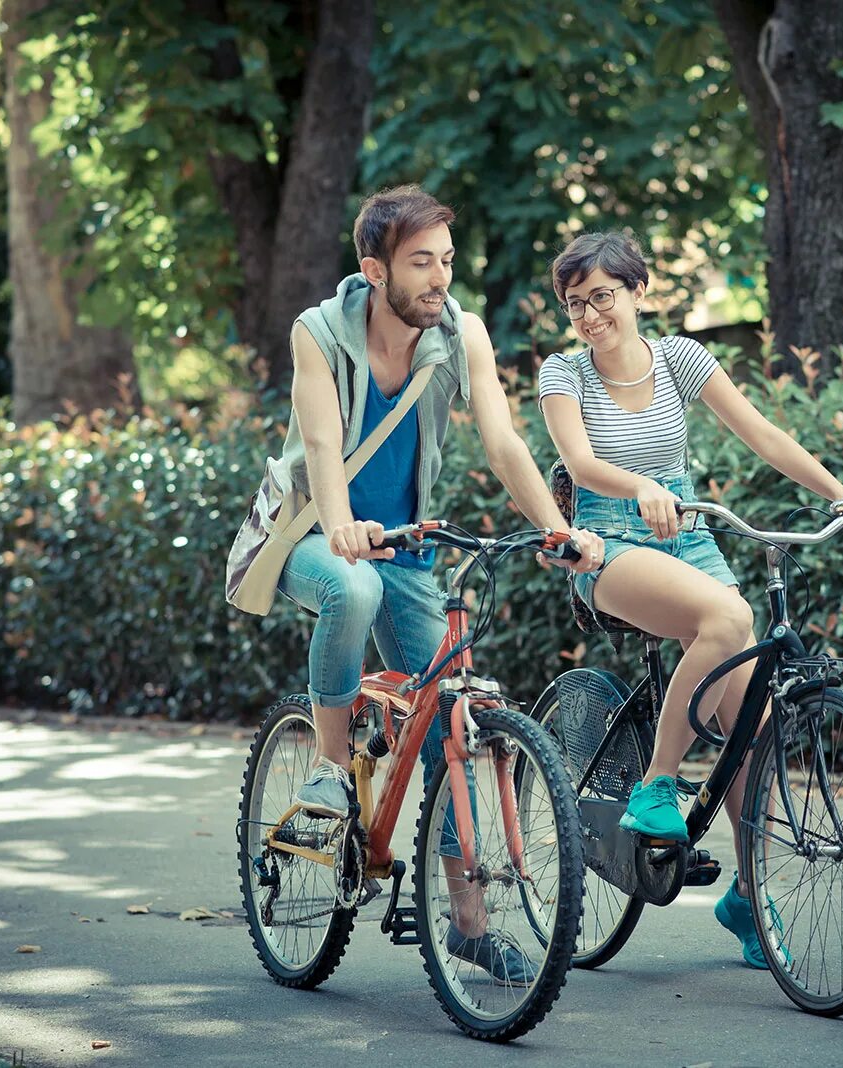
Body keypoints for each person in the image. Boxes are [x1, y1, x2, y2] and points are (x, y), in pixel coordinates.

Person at [257, 185, 604, 985]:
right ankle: (330, 770)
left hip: (408, 547)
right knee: (355, 591)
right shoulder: (319, 332)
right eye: (422, 263)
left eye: (446, 261)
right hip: (316, 536)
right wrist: (343, 528)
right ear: (375, 270)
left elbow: (504, 441)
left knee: (456, 719)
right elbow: (318, 440)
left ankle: (472, 927)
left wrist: (557, 525)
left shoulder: (460, 333)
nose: (440, 278)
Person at [536, 230, 843, 969]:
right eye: (575, 304)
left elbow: (761, 433)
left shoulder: (680, 359)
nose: (590, 315)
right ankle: (655, 786)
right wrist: (644, 488)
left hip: (690, 537)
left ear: (638, 290)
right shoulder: (563, 374)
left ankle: (750, 903)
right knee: (730, 617)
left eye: (602, 296)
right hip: (609, 542)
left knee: (751, 731)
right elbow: (580, 463)